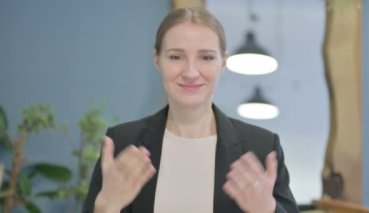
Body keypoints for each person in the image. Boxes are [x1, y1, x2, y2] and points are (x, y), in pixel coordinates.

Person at [83, 7, 299, 213]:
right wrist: (106, 208)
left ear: (223, 62)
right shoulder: (123, 142)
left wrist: (268, 211)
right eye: (176, 57)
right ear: (157, 60)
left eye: (206, 57)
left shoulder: (261, 147)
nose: (191, 72)